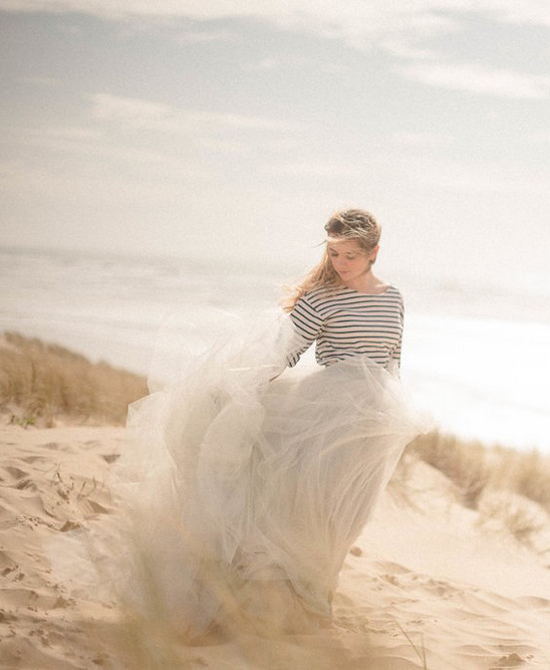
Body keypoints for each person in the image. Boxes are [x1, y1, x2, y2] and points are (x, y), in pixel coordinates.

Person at [65, 208, 426, 641]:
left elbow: (394, 358)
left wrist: (395, 414)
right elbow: (285, 353)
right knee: (311, 516)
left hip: (373, 421)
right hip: (323, 417)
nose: (341, 264)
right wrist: (240, 389)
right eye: (334, 254)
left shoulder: (393, 298)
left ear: (374, 254)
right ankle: (291, 607)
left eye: (350, 255)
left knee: (347, 519)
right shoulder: (320, 298)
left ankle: (316, 602)